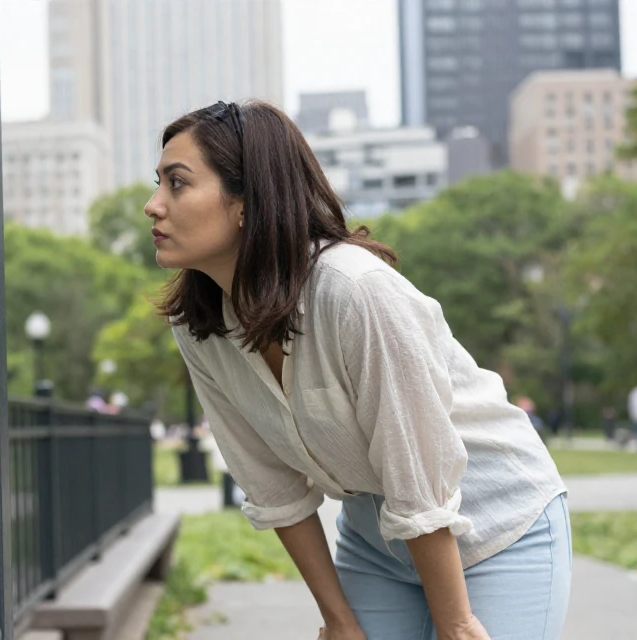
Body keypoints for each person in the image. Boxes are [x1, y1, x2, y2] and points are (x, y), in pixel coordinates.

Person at [153, 101, 569, 640]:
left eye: (177, 183)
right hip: (377, 539)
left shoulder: (353, 291)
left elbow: (416, 472)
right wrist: (338, 618)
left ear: (246, 203)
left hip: (496, 523)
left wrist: (456, 623)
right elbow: (273, 487)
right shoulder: (200, 325)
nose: (153, 205)